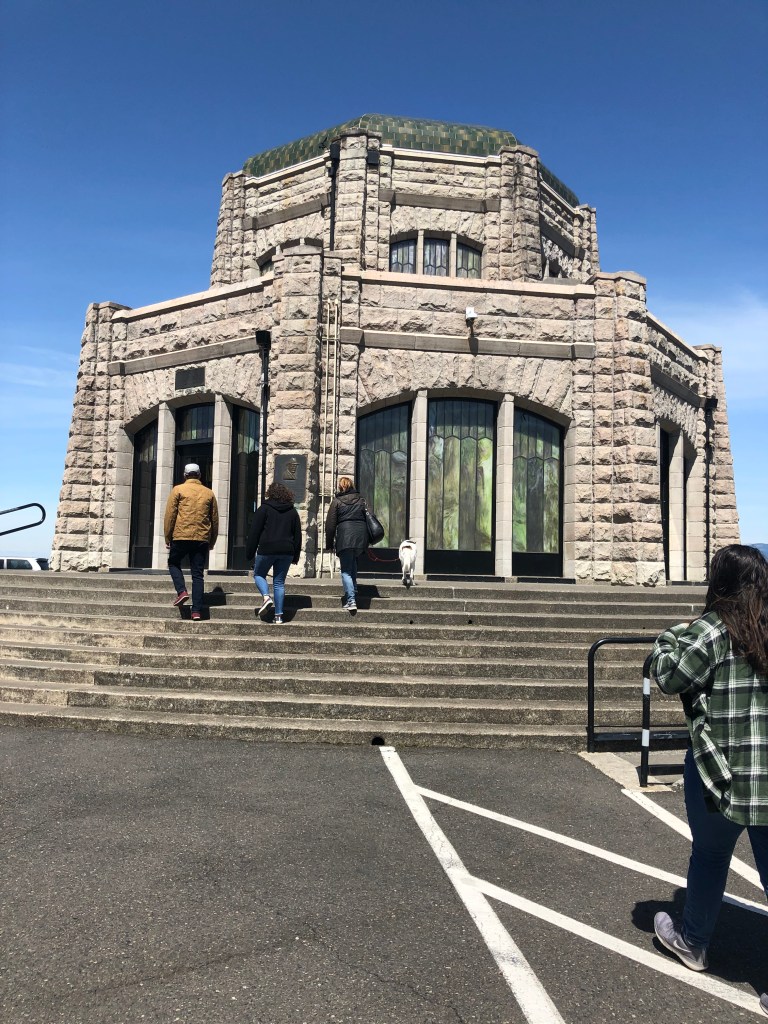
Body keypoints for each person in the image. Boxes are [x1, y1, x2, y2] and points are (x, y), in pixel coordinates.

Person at [649, 544, 767, 1015]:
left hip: (720, 771)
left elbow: (669, 676)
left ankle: (694, 941)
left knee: (711, 854)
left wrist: (668, 637)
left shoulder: (713, 629)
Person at [163, 462, 219, 621]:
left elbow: (170, 516)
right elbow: (214, 519)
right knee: (198, 575)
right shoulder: (209, 493)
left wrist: (168, 536)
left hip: (180, 536)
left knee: (173, 563)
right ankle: (196, 611)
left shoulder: (178, 490)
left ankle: (181, 591)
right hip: (201, 538)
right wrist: (212, 540)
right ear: (199, 475)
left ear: (185, 475)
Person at [246, 482, 302, 625]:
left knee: (259, 574)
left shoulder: (264, 509)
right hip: (287, 550)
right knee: (279, 583)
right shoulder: (292, 511)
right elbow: (297, 535)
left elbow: (254, 532)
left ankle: (266, 597)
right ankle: (278, 616)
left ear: (270, 493)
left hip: (267, 548)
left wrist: (249, 553)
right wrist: (295, 556)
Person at [324, 476, 368, 615]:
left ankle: (351, 600)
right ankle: (353, 588)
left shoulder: (337, 502)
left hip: (345, 537)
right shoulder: (361, 500)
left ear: (340, 487)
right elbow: (370, 516)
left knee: (346, 571)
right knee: (353, 562)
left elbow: (330, 525)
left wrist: (329, 544)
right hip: (360, 537)